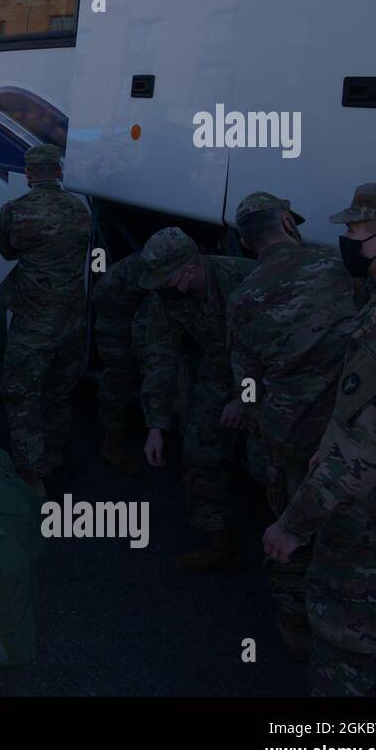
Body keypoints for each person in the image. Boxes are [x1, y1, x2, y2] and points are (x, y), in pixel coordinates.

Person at [265, 181, 376, 696]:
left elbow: (361, 456)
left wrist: (293, 524)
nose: (345, 239)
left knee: (345, 659)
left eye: (353, 230)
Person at [227, 191, 361, 661]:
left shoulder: (244, 296)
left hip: (287, 430)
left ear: (245, 243)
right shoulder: (338, 267)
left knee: (289, 520)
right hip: (349, 427)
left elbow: (247, 384)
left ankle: (293, 617)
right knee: (346, 521)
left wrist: (252, 414)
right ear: (287, 222)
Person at [139, 227, 254, 572]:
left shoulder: (246, 281)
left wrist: (245, 398)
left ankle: (296, 549)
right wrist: (156, 424)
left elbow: (281, 351)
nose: (161, 288)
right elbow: (160, 357)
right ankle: (220, 540)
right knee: (199, 449)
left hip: (270, 377)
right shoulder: (168, 298)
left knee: (273, 465)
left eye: (166, 279)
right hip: (220, 371)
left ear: (191, 268)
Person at [0, 143, 91, 494]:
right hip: (73, 318)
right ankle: (55, 454)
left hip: (34, 321)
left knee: (21, 392)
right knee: (59, 390)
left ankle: (30, 473)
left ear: (29, 174)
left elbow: (4, 250)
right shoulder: (80, 210)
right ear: (59, 172)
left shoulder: (17, 211)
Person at [91, 252, 151, 476]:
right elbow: (148, 337)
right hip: (115, 305)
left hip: (135, 297)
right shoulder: (119, 288)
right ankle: (112, 444)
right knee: (119, 373)